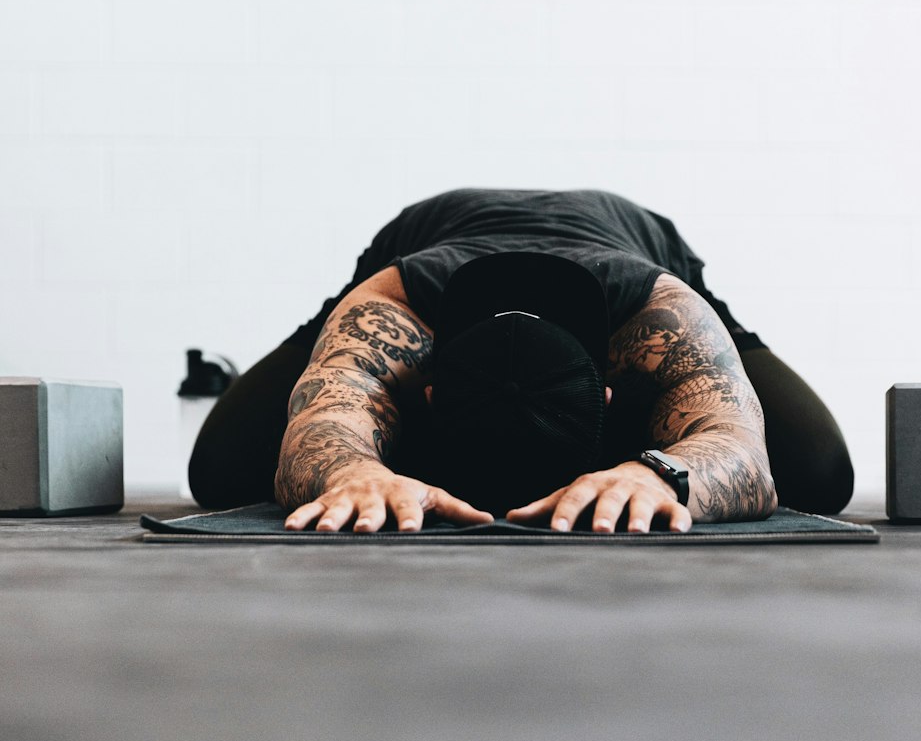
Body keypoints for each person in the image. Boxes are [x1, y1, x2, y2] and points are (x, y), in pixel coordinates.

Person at [188, 188, 854, 533]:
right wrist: (353, 473)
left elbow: (742, 449)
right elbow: (326, 418)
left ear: (615, 397)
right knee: (222, 468)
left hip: (622, 232)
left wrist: (663, 476)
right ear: (421, 394)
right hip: (437, 232)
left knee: (818, 469)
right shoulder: (393, 308)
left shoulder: (657, 311)